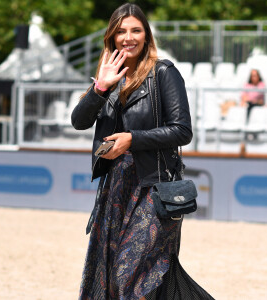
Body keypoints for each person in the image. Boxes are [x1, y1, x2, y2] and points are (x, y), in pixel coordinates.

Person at [71, 3, 214, 299]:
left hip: (155, 188)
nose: (128, 37)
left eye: (136, 30)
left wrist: (131, 140)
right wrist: (100, 88)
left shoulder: (163, 73)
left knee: (131, 274)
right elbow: (79, 121)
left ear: (147, 36)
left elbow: (182, 130)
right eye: (121, 31)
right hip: (117, 189)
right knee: (110, 276)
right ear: (111, 38)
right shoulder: (109, 79)